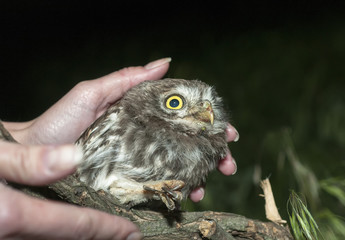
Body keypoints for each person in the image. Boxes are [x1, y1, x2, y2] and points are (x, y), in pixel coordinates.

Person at [0, 58, 238, 240]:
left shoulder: (201, 154)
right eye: (174, 103)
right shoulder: (126, 117)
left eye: (210, 107)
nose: (204, 113)